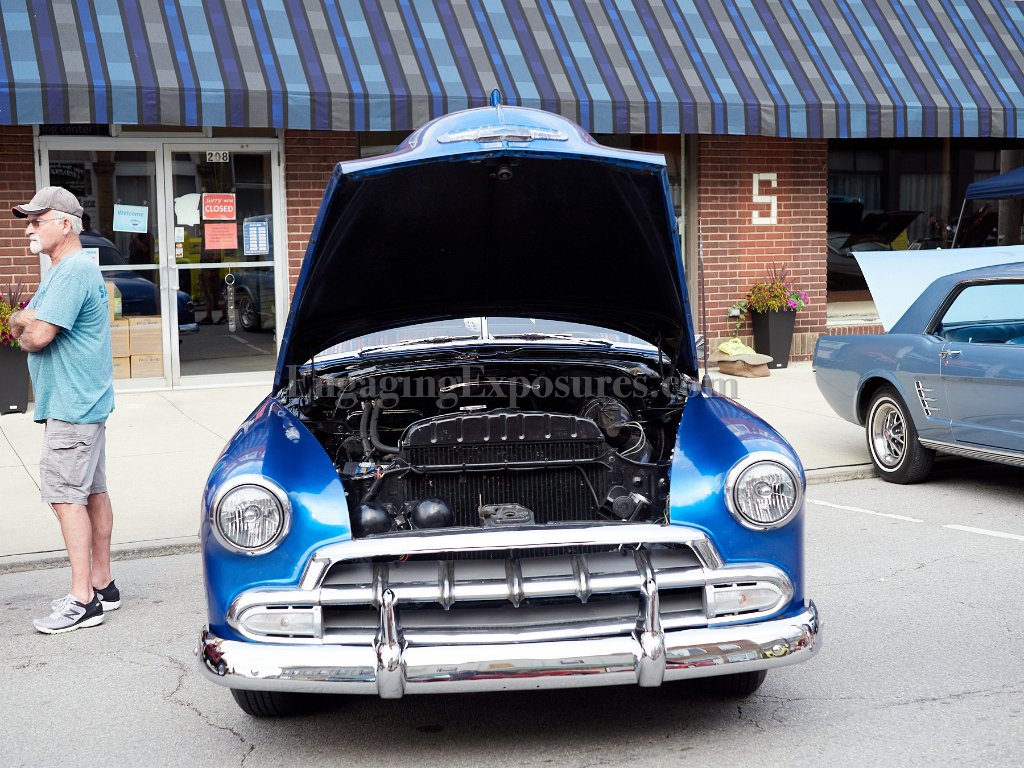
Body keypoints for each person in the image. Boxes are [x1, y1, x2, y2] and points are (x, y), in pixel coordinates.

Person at [7, 186, 120, 634]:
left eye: (37, 220)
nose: (29, 229)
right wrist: (26, 318)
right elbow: (25, 317)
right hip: (82, 401)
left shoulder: (72, 271)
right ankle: (103, 583)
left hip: (73, 406)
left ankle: (83, 600)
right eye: (28, 221)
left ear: (66, 224)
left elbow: (35, 335)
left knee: (65, 497)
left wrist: (23, 323)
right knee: (92, 492)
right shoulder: (63, 269)